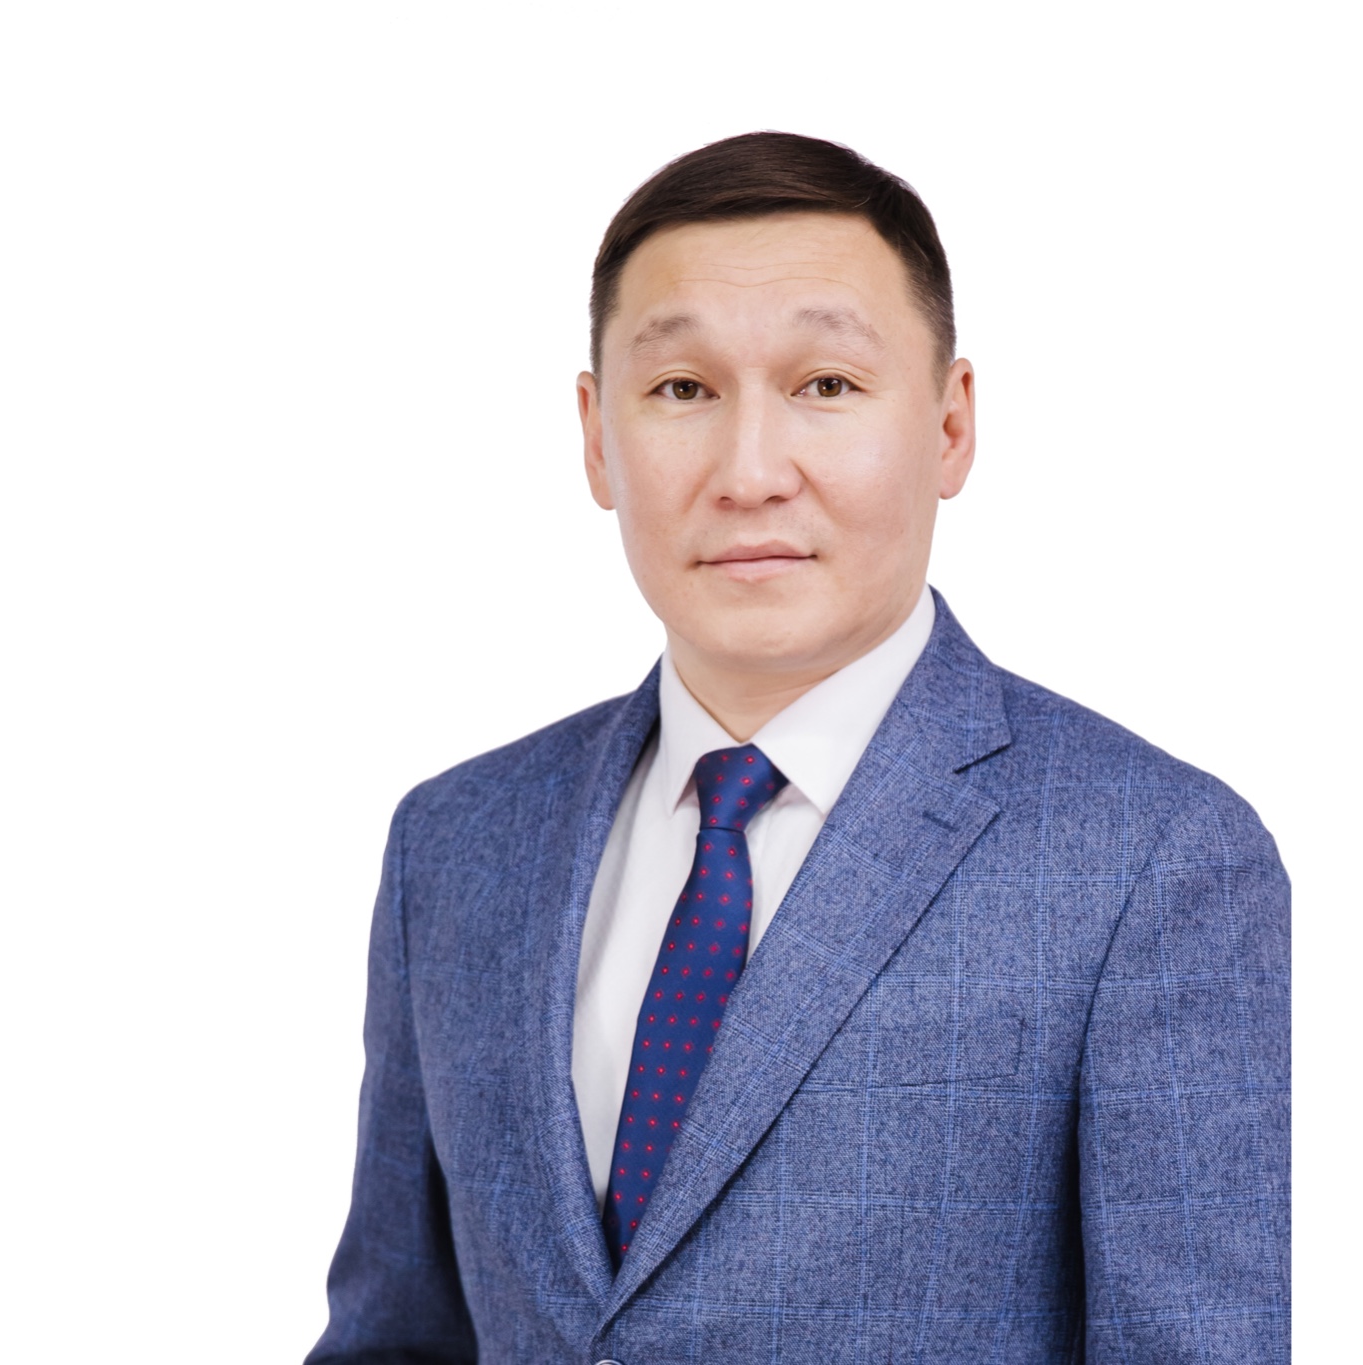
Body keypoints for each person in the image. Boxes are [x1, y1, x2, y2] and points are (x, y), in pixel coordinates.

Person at [307, 131, 1290, 1364]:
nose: (749, 472)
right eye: (681, 390)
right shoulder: (457, 843)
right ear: (596, 437)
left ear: (949, 425)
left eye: (825, 385)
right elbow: (395, 1339)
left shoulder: (1152, 862)